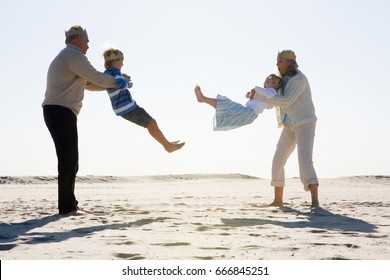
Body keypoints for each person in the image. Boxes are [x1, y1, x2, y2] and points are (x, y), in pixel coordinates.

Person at [42, 25, 119, 215]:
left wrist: (117, 83)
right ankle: (68, 207)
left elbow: (90, 84)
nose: (89, 44)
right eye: (87, 39)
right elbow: (97, 78)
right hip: (59, 111)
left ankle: (68, 205)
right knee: (69, 160)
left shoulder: (71, 57)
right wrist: (120, 81)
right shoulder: (73, 55)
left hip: (60, 112)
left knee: (70, 160)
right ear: (77, 38)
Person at [250, 50, 319, 208]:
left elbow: (286, 101)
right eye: (277, 61)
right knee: (278, 160)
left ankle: (315, 202)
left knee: (304, 162)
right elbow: (272, 98)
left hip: (305, 123)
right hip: (289, 125)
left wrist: (261, 96)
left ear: (290, 62)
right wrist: (256, 96)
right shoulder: (280, 79)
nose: (277, 64)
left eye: (280, 61)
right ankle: (278, 201)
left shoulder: (299, 80)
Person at [103, 48, 185, 153]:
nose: (123, 64)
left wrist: (123, 76)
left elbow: (116, 80)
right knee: (152, 123)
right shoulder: (116, 72)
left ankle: (167, 144)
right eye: (121, 61)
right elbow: (122, 84)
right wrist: (128, 83)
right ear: (115, 62)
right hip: (128, 108)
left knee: (150, 124)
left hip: (121, 109)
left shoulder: (108, 72)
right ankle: (167, 146)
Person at [194, 74, 283, 131]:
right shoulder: (264, 95)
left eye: (267, 82)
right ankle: (203, 99)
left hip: (248, 113)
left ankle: (203, 99)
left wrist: (255, 90)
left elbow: (267, 95)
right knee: (227, 108)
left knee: (226, 105)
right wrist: (251, 94)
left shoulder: (271, 91)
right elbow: (266, 103)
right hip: (249, 116)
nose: (264, 83)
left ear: (274, 85)